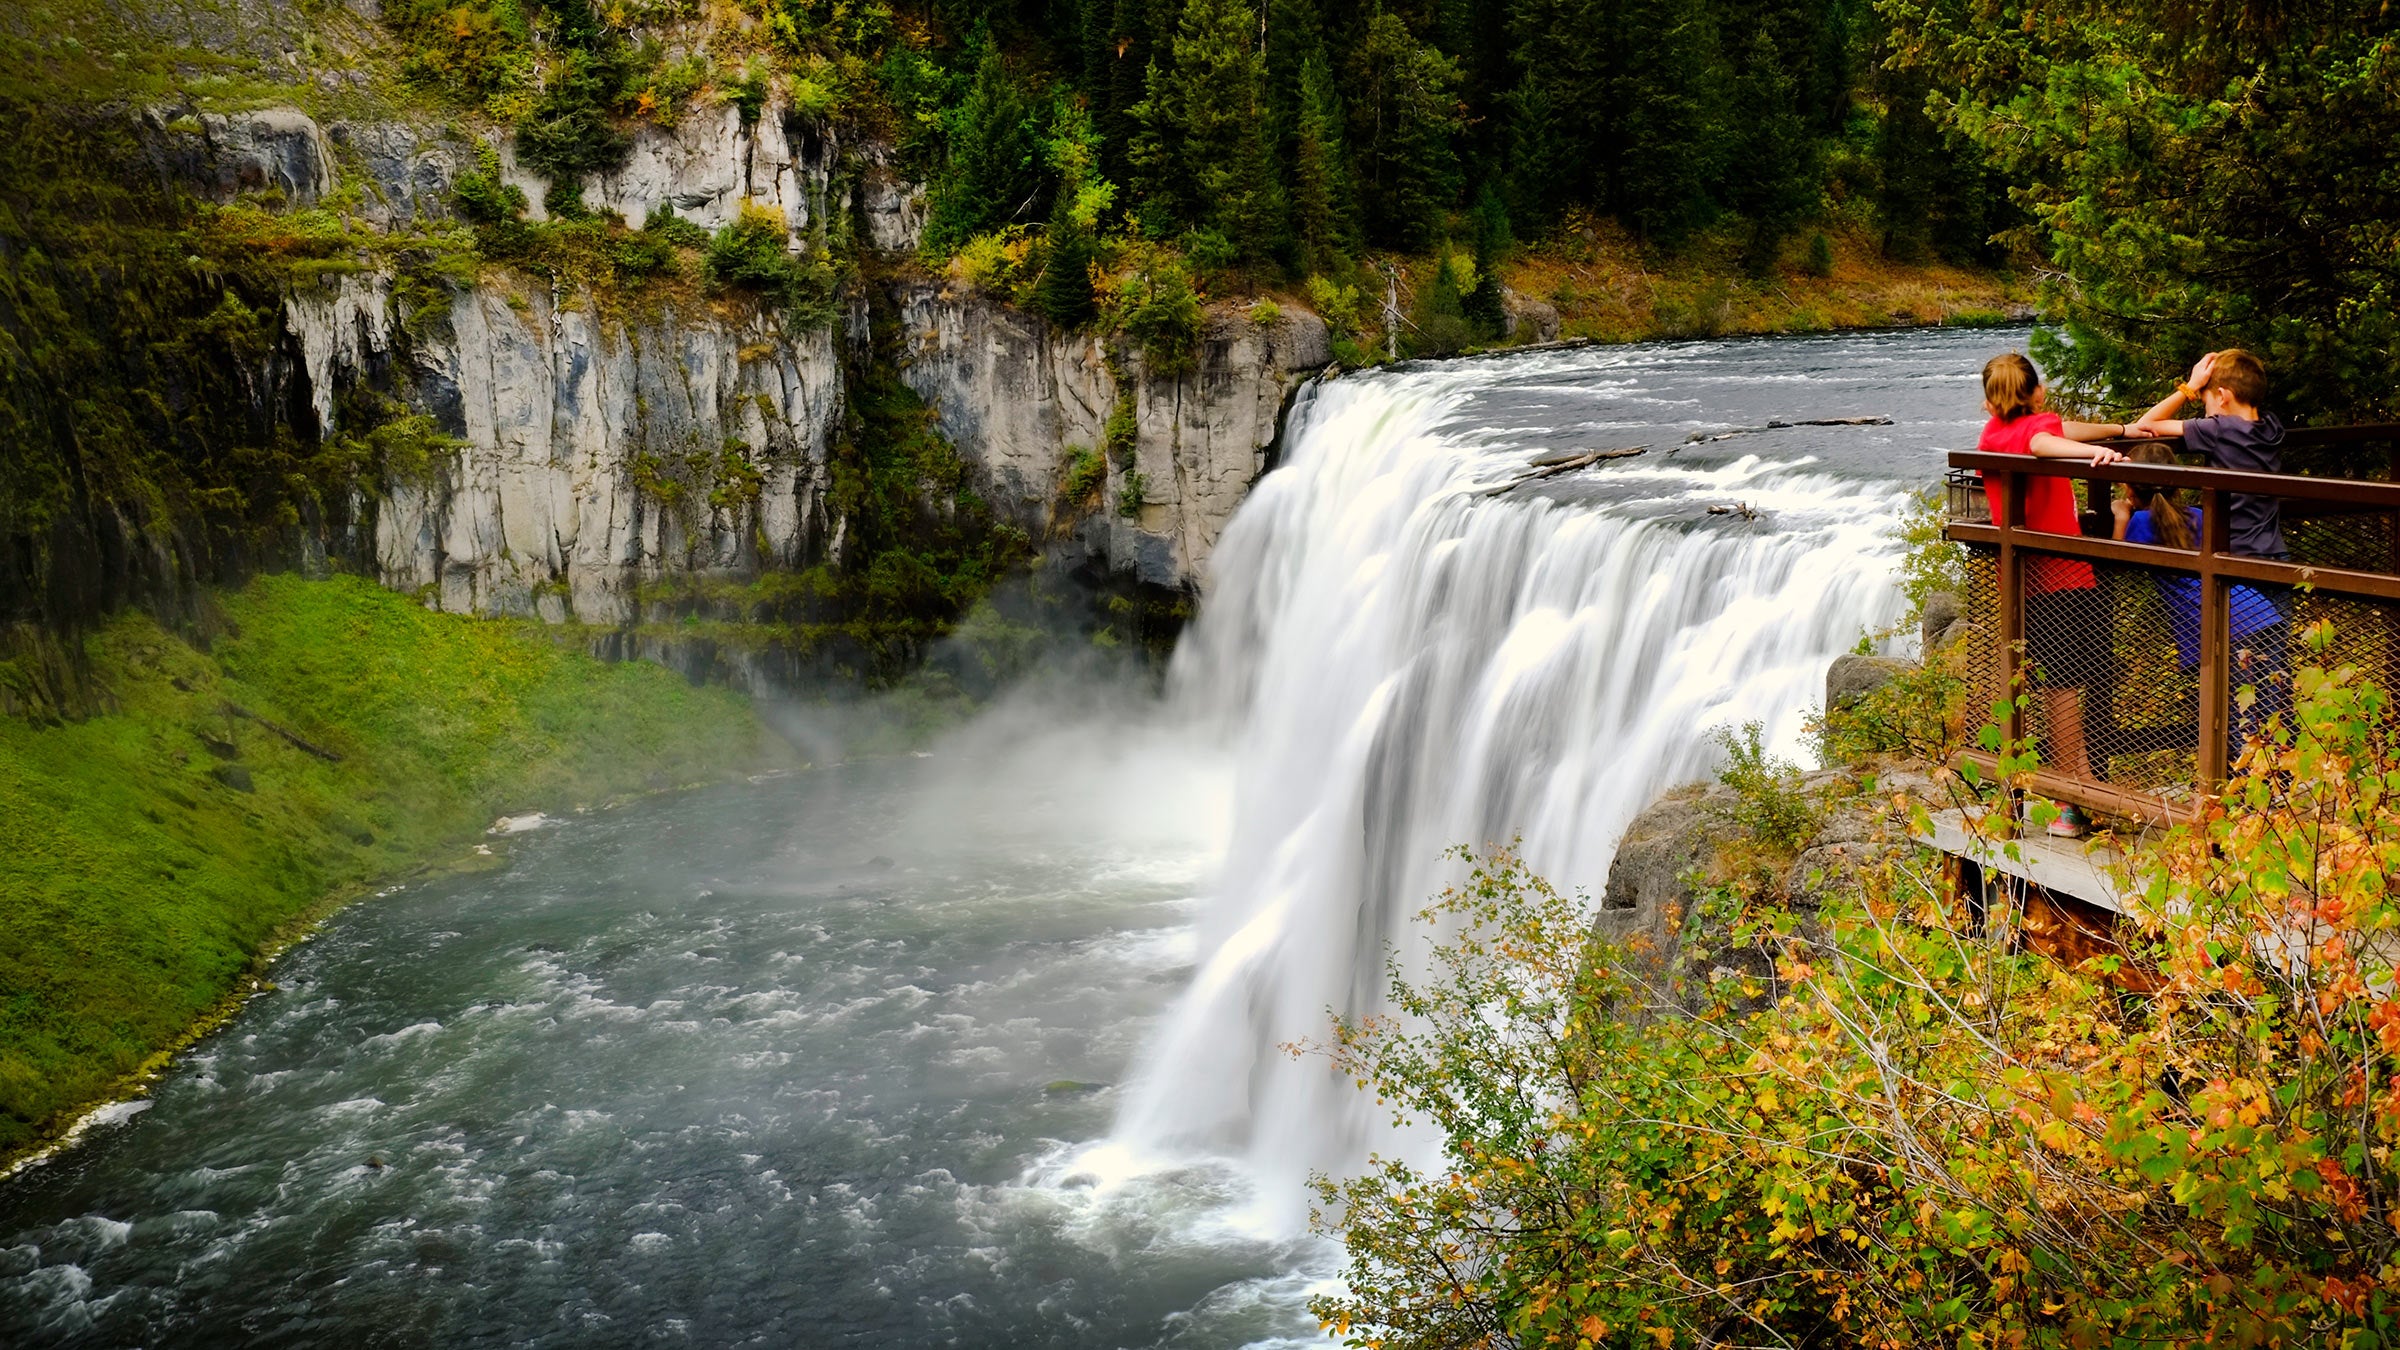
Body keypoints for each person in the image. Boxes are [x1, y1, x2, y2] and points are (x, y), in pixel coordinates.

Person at [1976, 353, 2133, 835]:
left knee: (2053, 688)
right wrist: (2099, 454)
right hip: (2061, 578)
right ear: (2038, 393)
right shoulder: (2034, 432)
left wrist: (2122, 431)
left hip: (2023, 579)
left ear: (1989, 402)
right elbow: (2045, 441)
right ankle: (2072, 795)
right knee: (2066, 688)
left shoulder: (1991, 435)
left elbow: (2061, 432)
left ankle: (2076, 785)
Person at [2129, 349, 2291, 759]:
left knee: (2241, 689)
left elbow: (2146, 427)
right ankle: (2280, 780)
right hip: (2276, 560)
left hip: (2236, 568)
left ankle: (2246, 781)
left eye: (2206, 396)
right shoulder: (2272, 428)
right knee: (2275, 681)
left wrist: (2187, 387)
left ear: (2222, 395)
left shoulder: (2218, 429)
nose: (2202, 402)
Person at [2108, 442, 2284, 671]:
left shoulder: (2141, 521)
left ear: (2130, 488)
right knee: (2267, 700)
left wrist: (2121, 517)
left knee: (2232, 705)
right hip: (2259, 610)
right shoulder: (2198, 515)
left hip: (2226, 629)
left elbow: (2117, 564)